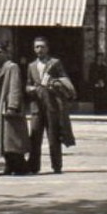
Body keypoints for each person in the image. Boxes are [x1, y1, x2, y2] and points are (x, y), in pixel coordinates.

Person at [25, 36, 76, 174]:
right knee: (35, 136)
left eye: (42, 46)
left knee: (53, 137)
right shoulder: (31, 66)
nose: (39, 49)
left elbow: (64, 79)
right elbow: (28, 84)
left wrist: (55, 83)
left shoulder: (55, 63)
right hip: (36, 106)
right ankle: (34, 166)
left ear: (47, 48)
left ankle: (57, 165)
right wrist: (30, 89)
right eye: (37, 47)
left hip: (51, 105)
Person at [0, 44, 30, 175]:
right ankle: (9, 165)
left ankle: (20, 166)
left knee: (13, 139)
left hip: (8, 107)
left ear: (7, 53)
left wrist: (13, 106)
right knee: (2, 139)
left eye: (0, 52)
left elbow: (15, 87)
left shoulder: (12, 67)